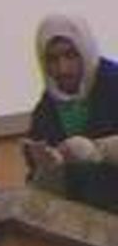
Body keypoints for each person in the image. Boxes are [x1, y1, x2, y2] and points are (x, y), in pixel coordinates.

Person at [23, 14, 118, 211]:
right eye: (52, 59)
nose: (62, 69)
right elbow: (42, 196)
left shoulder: (113, 85)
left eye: (70, 55)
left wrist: (96, 151)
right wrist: (48, 169)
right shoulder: (46, 111)